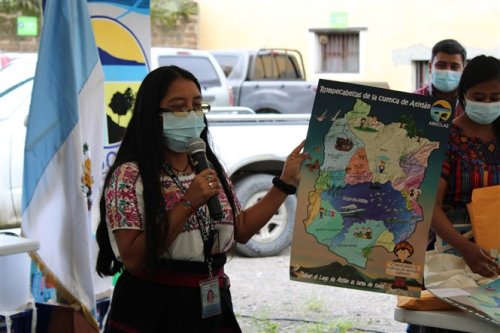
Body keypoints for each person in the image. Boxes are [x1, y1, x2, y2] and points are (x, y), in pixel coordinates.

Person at [95, 65, 307, 332]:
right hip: (153, 309)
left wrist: (284, 182)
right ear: (153, 115)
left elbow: (239, 229)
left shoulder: (206, 166)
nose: (192, 114)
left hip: (211, 302)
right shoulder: (129, 176)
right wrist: (187, 202)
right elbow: (135, 259)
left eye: (197, 105)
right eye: (178, 107)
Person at [431, 55, 500, 278]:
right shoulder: (445, 137)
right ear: (464, 96)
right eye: (479, 97)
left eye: (496, 98)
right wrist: (465, 248)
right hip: (457, 254)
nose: (488, 104)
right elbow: (431, 207)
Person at [414, 39, 467, 117]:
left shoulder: (470, 105)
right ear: (430, 66)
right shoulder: (414, 100)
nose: (448, 71)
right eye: (441, 65)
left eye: (454, 67)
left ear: (463, 70)